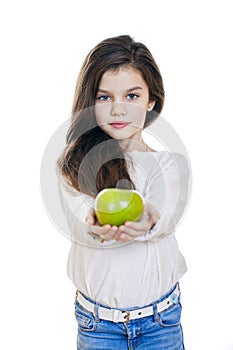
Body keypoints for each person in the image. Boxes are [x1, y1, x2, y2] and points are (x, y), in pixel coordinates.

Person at [56, 35, 190, 350]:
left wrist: (148, 222)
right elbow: (78, 220)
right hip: (98, 326)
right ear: (90, 104)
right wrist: (94, 224)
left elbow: (164, 210)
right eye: (104, 97)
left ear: (151, 101)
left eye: (131, 95)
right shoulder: (74, 165)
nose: (118, 109)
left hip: (161, 323)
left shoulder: (170, 164)